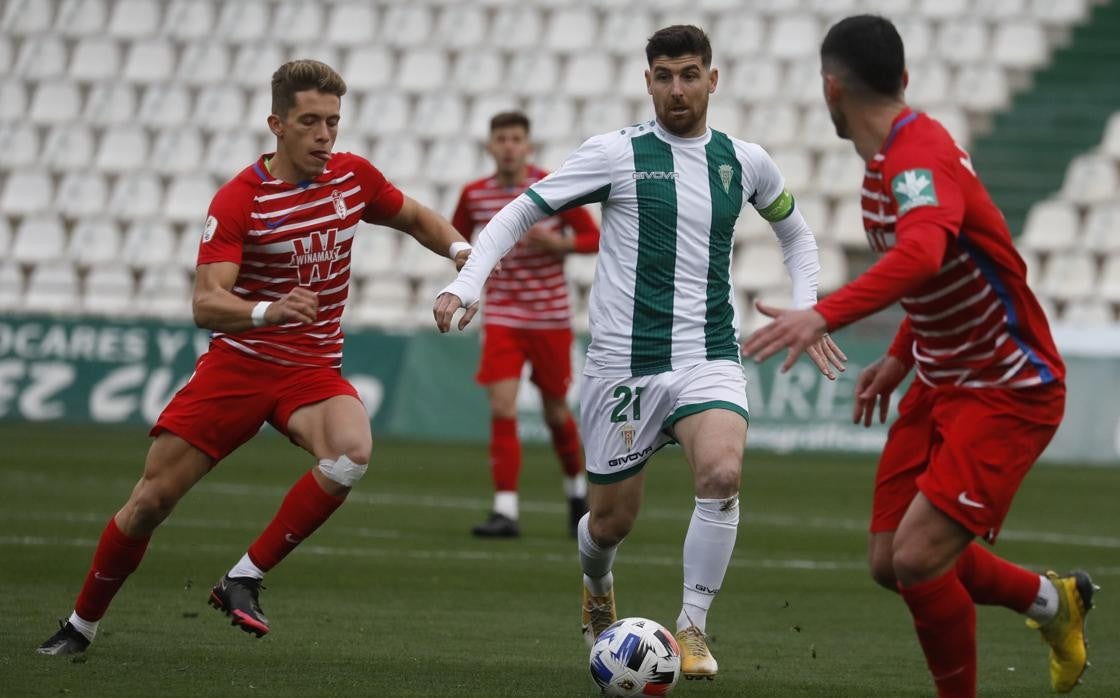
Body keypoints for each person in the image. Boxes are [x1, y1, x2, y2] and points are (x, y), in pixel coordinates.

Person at [434, 25, 846, 681]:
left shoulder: (746, 161)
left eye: (688, 74)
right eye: (663, 75)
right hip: (624, 367)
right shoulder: (616, 154)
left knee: (721, 474)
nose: (676, 88)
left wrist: (810, 304)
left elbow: (796, 234)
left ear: (713, 80)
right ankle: (597, 585)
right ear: (647, 80)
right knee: (609, 523)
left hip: (709, 353)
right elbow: (518, 212)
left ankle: (692, 626)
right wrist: (467, 280)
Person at [37, 59, 474, 655]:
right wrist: (268, 310)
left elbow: (415, 217)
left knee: (351, 453)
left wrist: (460, 254)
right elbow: (206, 303)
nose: (325, 136)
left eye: (334, 122)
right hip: (239, 366)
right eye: (310, 122)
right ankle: (79, 626)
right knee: (149, 502)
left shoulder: (352, 178)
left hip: (311, 368)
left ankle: (243, 577)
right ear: (277, 124)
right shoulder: (241, 200)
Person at [742, 16, 1095, 696]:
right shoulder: (887, 167)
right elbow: (943, 268)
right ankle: (1054, 603)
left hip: (1007, 387)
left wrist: (824, 312)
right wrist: (903, 356)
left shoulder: (917, 158)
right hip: (941, 377)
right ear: (901, 79)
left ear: (830, 88)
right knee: (889, 560)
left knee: (918, 556)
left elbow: (924, 252)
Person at [450, 111, 601, 539]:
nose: (509, 146)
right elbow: (454, 238)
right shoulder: (475, 194)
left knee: (556, 413)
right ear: (490, 146)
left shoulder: (551, 187)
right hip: (503, 317)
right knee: (502, 406)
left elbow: (595, 238)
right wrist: (471, 262)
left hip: (550, 318)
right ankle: (506, 510)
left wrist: (562, 244)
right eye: (502, 139)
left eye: (516, 138)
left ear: (528, 146)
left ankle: (576, 493)